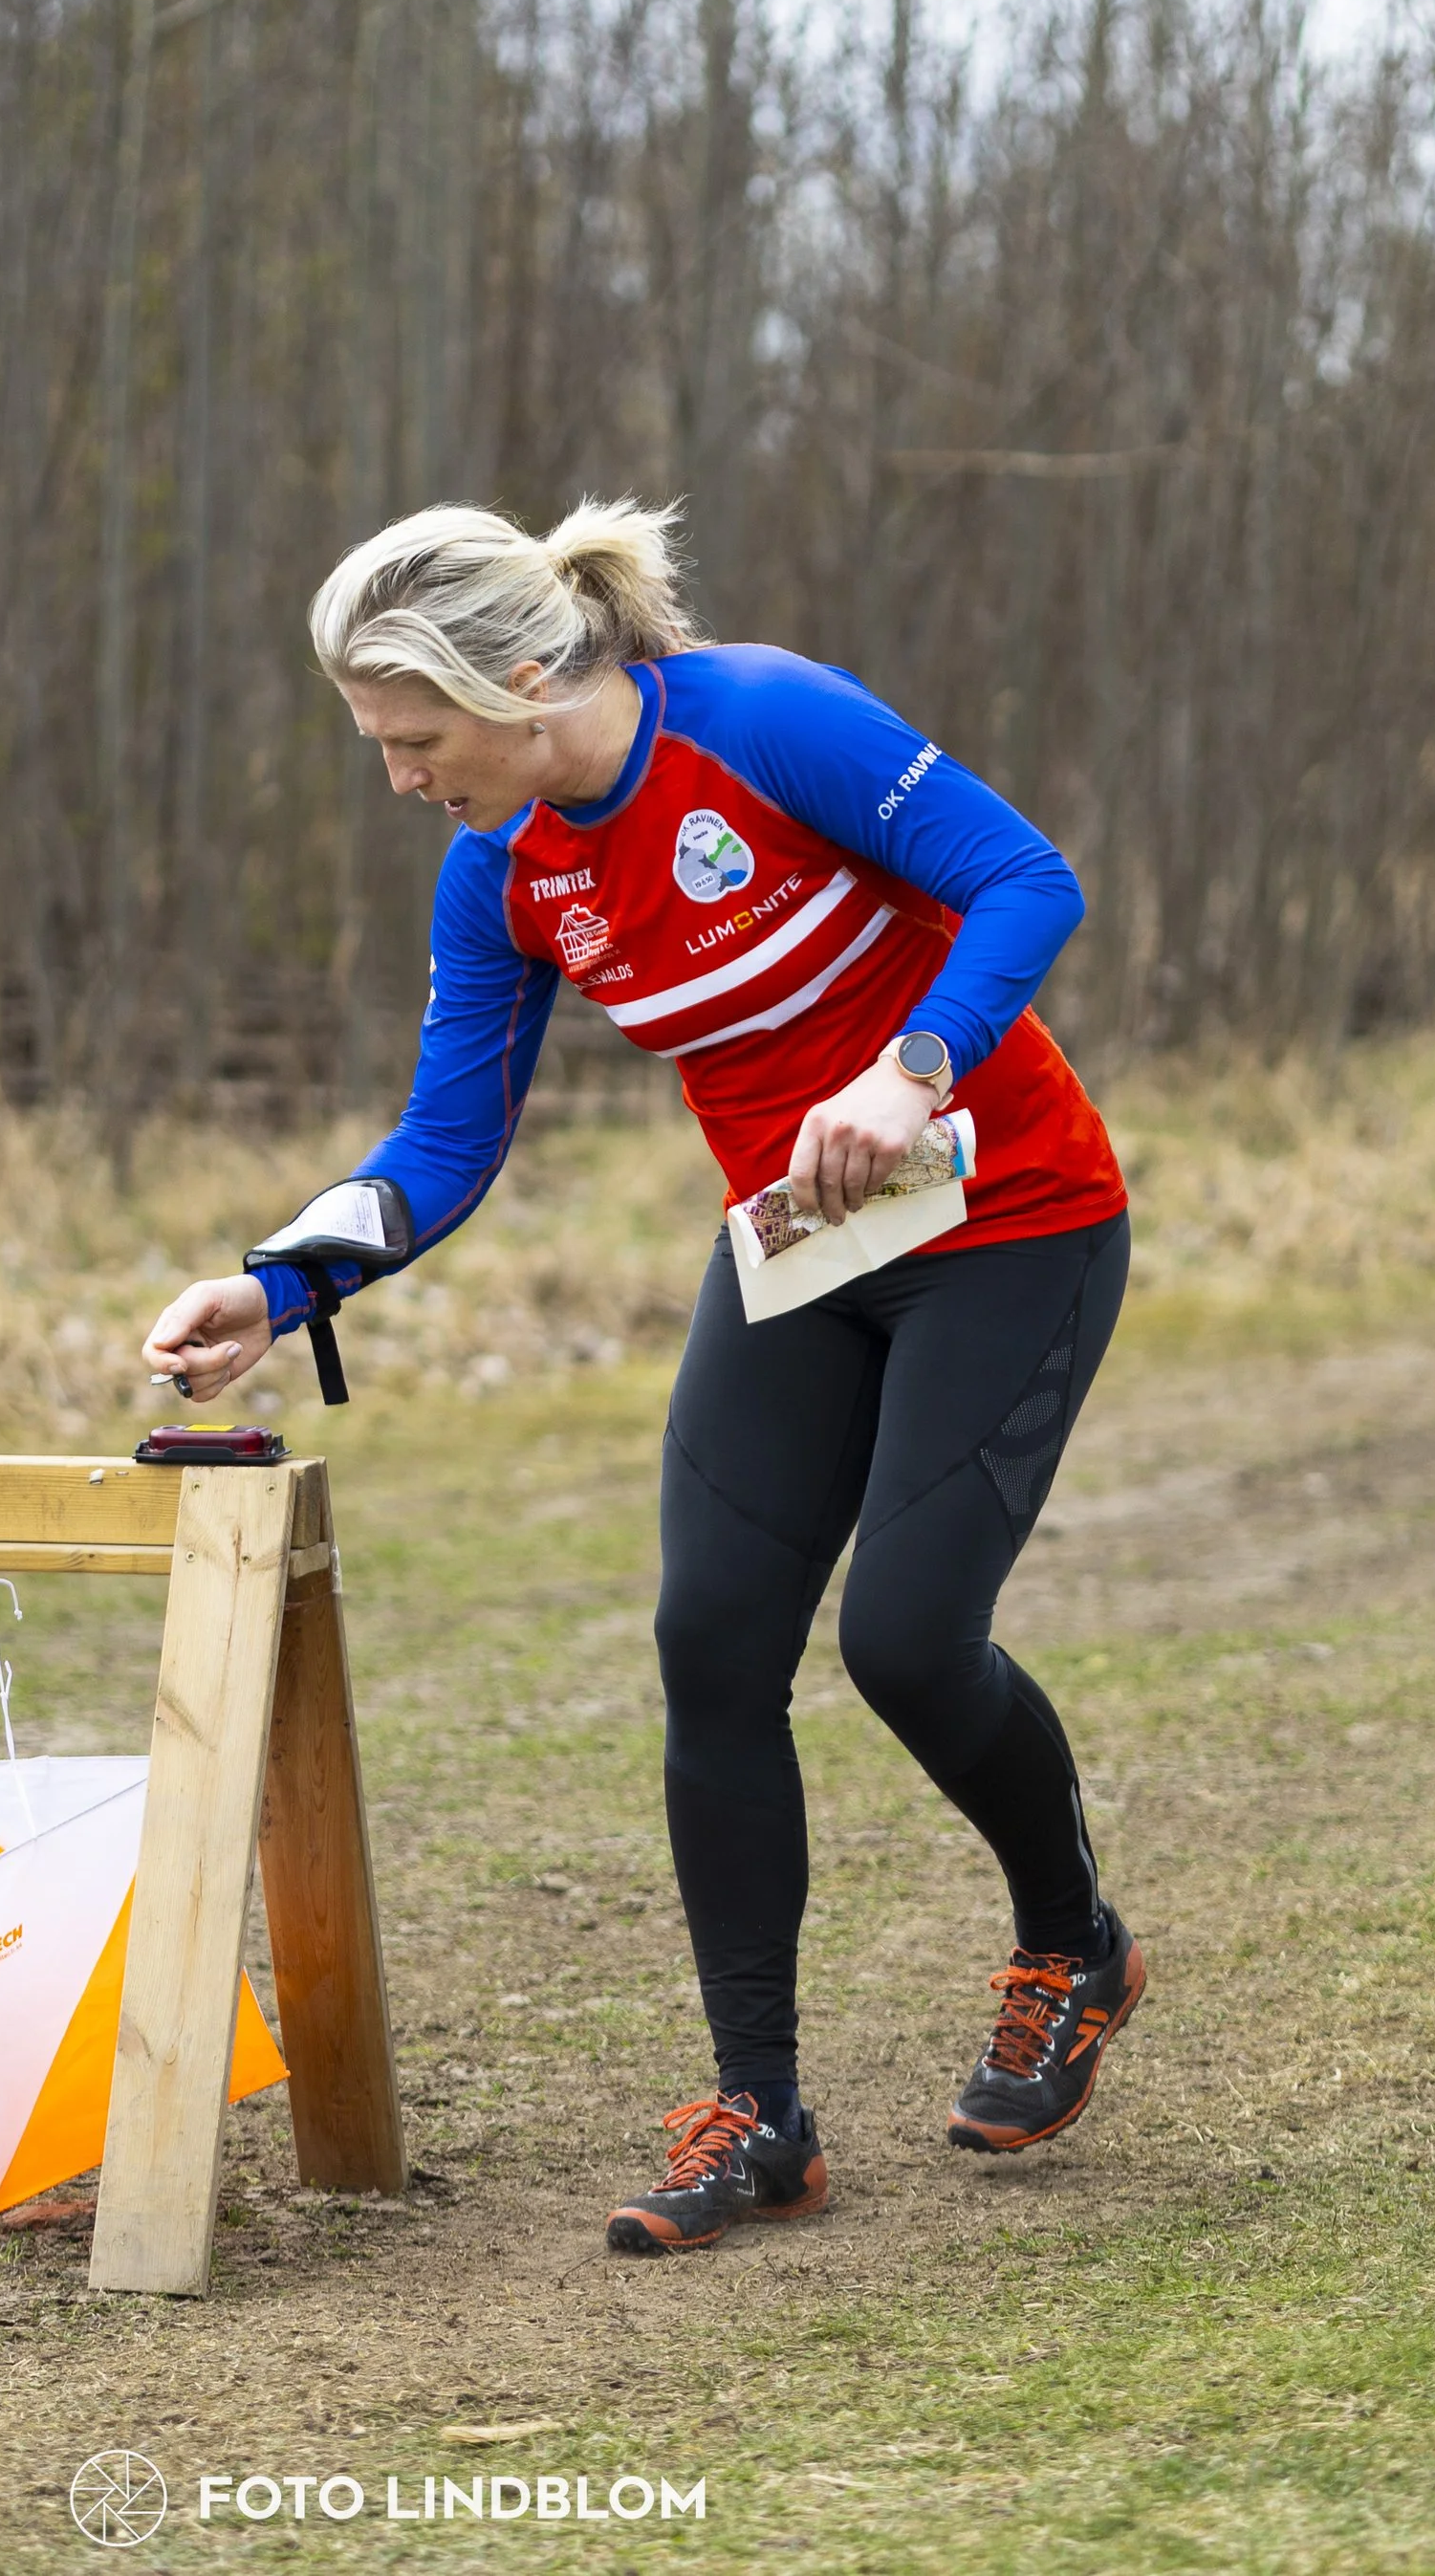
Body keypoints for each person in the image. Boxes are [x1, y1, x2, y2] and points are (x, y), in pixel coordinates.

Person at [142, 500, 1141, 2256]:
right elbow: (447, 1140)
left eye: (414, 739)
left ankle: (1074, 1943)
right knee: (710, 1647)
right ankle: (758, 2113)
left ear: (523, 679)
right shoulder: (505, 867)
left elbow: (1025, 879)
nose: (398, 781)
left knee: (906, 1638)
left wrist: (912, 1070)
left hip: (1011, 1224)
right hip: (798, 1257)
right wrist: (277, 1284)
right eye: (377, 746)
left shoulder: (761, 720)